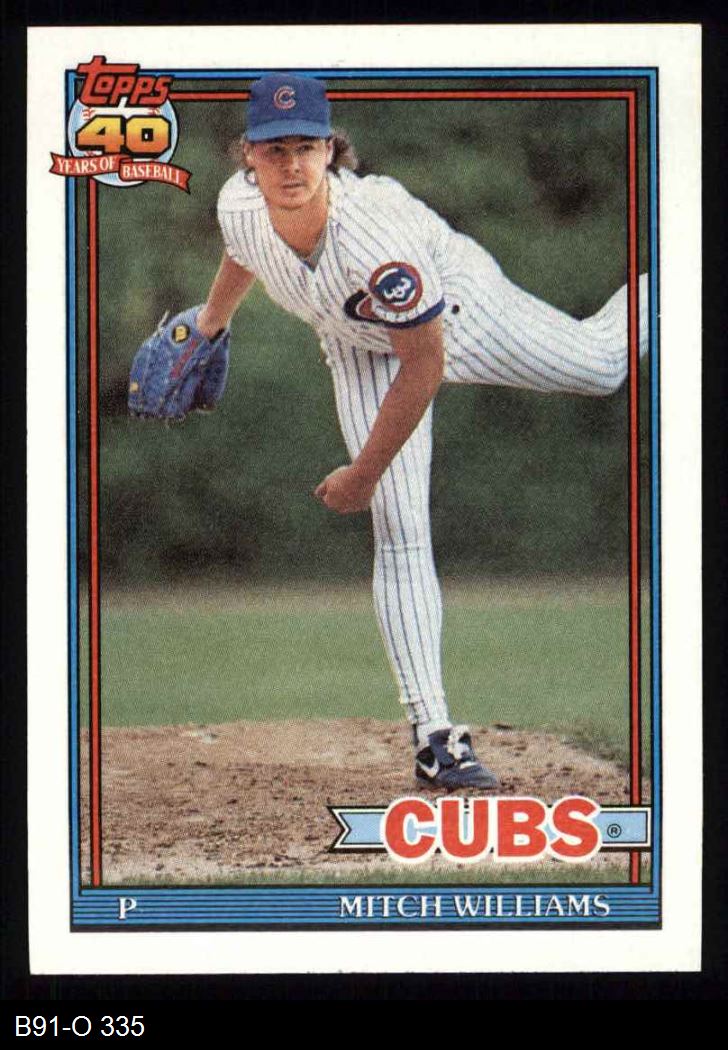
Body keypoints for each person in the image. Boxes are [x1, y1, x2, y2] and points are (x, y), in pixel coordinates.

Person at [192, 72, 648, 791]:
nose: (291, 164)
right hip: (355, 341)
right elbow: (244, 249)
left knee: (601, 365)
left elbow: (424, 363)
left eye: (306, 147)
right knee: (400, 530)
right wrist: (209, 326)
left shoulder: (377, 239)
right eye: (274, 149)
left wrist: (363, 473)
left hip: (453, 316)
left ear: (330, 150)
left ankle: (670, 283)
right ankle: (435, 738)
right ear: (248, 153)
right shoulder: (238, 203)